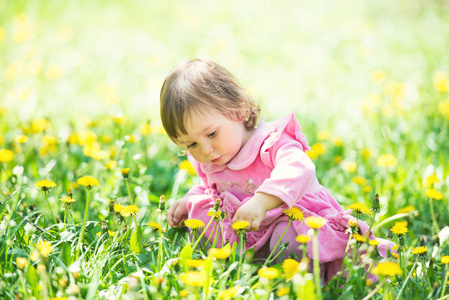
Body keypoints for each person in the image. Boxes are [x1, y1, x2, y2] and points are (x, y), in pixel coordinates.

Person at [160, 58, 393, 283]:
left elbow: (300, 168)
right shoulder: (211, 158)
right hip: (249, 234)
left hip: (292, 220)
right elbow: (210, 186)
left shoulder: (270, 142)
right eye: (191, 145)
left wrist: (262, 201)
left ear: (238, 110)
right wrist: (189, 199)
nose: (206, 150)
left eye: (211, 134)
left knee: (288, 234)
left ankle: (300, 281)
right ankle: (232, 269)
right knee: (201, 214)